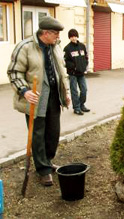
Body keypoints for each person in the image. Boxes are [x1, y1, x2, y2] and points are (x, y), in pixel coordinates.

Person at [7, 16, 70, 186]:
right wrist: (24, 91)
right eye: (55, 33)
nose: (58, 37)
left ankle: (48, 161)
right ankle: (43, 170)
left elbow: (61, 71)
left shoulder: (55, 46)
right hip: (36, 97)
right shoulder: (25, 47)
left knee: (53, 132)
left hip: (54, 96)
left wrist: (66, 93)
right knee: (38, 134)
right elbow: (14, 73)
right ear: (45, 33)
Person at [64, 28, 90, 115]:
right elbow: (65, 61)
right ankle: (76, 108)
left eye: (75, 36)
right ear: (69, 38)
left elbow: (86, 57)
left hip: (81, 73)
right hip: (73, 74)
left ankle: (82, 105)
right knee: (74, 91)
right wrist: (74, 67)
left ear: (77, 36)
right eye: (71, 37)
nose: (73, 38)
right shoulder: (67, 48)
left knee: (84, 90)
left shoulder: (82, 46)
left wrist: (84, 65)